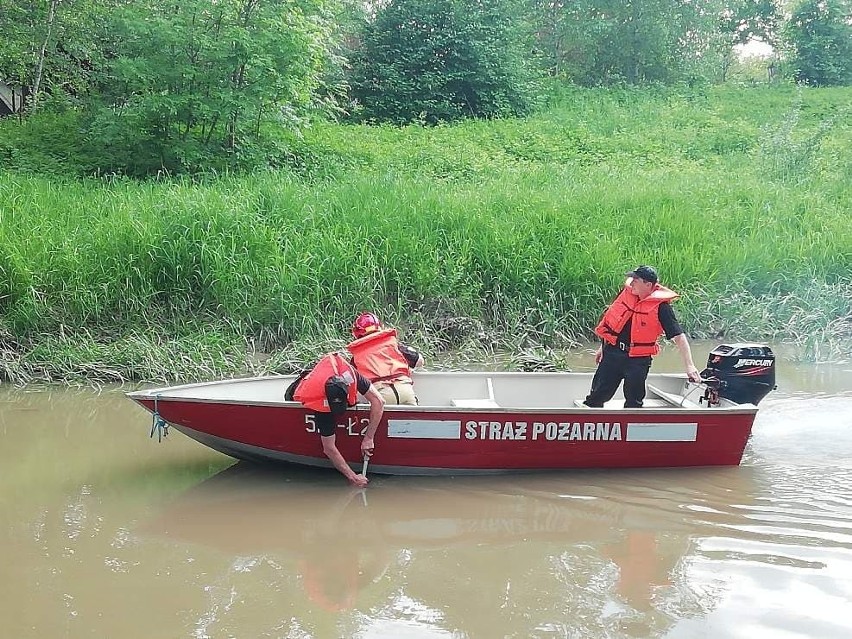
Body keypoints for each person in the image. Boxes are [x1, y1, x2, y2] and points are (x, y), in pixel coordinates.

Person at [584, 265, 701, 408]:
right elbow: (614, 323)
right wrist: (602, 348)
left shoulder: (662, 308)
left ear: (648, 285)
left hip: (637, 360)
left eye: (636, 280)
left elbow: (679, 337)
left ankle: (631, 427)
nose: (631, 283)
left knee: (634, 402)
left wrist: (689, 366)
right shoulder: (627, 294)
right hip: (612, 353)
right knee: (596, 396)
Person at [291, 352, 385, 487]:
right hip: (299, 391)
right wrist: (353, 477)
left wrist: (369, 437)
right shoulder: (320, 404)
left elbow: (379, 401)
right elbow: (329, 448)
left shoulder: (350, 375)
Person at [347, 312, 424, 405]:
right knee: (412, 418)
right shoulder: (393, 344)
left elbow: (350, 381)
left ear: (357, 333)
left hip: (381, 395)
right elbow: (420, 361)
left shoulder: (356, 356)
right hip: (405, 390)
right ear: (379, 327)